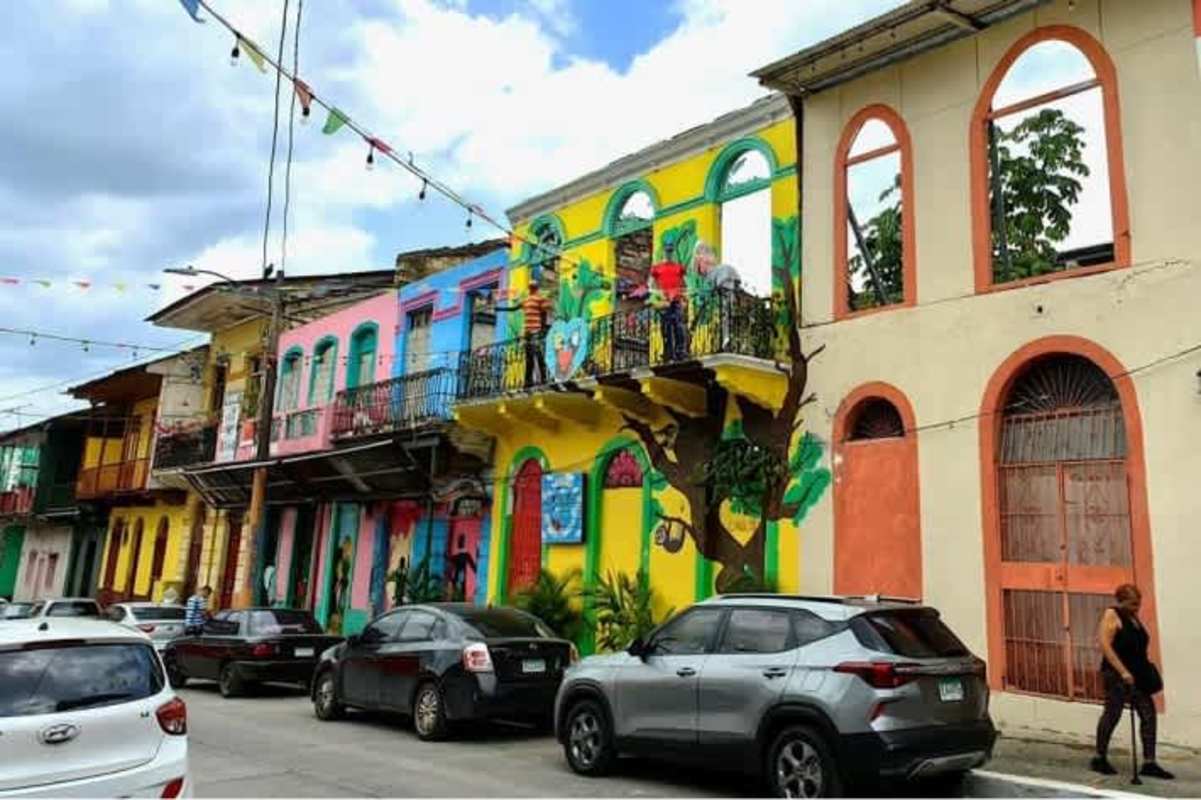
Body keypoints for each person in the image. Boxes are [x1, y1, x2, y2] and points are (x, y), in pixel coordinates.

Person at [1092, 583, 1173, 779]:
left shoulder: (1133, 618)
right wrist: (1123, 671)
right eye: (1133, 604)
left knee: (1148, 714)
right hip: (1117, 675)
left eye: (1138, 604)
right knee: (1113, 714)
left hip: (1139, 676)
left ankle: (1149, 762)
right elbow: (1105, 645)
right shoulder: (1112, 614)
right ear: (1121, 601)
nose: (1137, 608)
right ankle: (1099, 757)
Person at [497, 280, 553, 387]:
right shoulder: (530, 300)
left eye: (532, 287)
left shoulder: (535, 300)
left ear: (532, 288)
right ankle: (530, 381)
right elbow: (514, 308)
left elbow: (546, 311)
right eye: (532, 287)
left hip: (534, 331)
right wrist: (500, 309)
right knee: (531, 357)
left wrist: (543, 327)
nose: (532, 288)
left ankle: (541, 380)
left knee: (536, 356)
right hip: (530, 332)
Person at [649, 243, 688, 362]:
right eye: (667, 251)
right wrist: (657, 298)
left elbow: (684, 284)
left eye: (671, 251)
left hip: (675, 300)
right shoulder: (656, 268)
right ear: (664, 252)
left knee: (678, 326)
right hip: (664, 301)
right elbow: (651, 285)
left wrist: (684, 298)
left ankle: (680, 351)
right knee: (666, 328)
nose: (669, 254)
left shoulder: (679, 267)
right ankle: (668, 352)